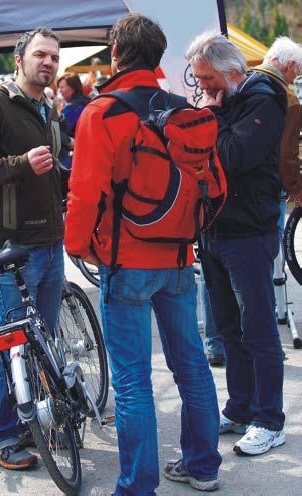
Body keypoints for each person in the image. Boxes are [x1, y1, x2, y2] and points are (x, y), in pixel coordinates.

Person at [65, 14, 221, 495]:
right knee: (191, 365)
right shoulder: (184, 110)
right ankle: (203, 466)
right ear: (158, 56)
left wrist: (79, 247)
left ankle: (137, 486)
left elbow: (84, 193)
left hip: (125, 260)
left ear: (115, 52)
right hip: (177, 259)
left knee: (133, 381)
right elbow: (215, 188)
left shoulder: (102, 112)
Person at [0, 27, 64, 470]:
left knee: (43, 340)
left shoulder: (47, 106)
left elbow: (56, 164)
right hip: (10, 243)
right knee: (14, 341)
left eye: (54, 58)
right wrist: (21, 164)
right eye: (40, 55)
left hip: (50, 239)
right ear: (19, 58)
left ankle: (30, 423)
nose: (48, 63)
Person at [186, 32, 287, 456]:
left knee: (258, 328)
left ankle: (270, 420)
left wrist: (208, 117)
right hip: (214, 231)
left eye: (207, 79)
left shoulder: (264, 99)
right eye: (198, 80)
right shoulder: (227, 101)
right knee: (228, 327)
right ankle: (241, 407)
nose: (202, 89)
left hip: (248, 232)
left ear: (232, 73)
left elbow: (231, 157)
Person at [253, 37, 302, 225]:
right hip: (270, 183)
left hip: (242, 187)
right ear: (289, 65)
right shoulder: (287, 98)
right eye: (296, 74)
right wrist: (296, 188)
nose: (293, 80)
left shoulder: (244, 82)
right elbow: (286, 153)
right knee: (275, 242)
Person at [57, 72, 89, 170]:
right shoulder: (86, 101)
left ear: (73, 88)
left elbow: (60, 130)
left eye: (62, 87)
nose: (60, 91)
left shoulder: (74, 108)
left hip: (74, 155)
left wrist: (69, 141)